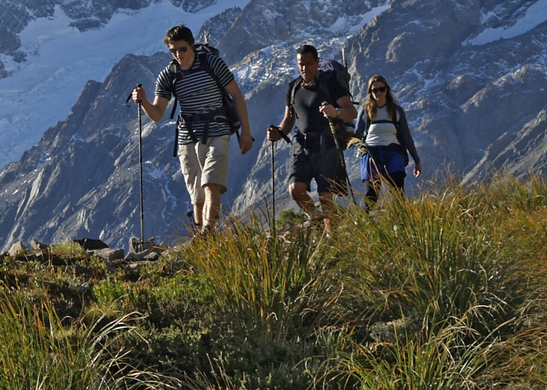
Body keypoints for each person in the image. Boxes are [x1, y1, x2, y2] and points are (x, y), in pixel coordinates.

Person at [131, 25, 253, 234]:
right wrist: (142, 101)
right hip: (188, 136)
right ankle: (203, 241)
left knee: (211, 184)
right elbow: (158, 113)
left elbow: (237, 95)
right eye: (173, 51)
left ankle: (208, 230)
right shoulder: (169, 75)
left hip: (217, 129)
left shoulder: (212, 64)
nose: (178, 55)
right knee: (197, 194)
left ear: (192, 46)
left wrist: (246, 132)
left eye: (182, 49)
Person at [266, 44, 357, 232]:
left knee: (325, 195)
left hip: (328, 145)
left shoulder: (330, 83)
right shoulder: (293, 87)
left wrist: (336, 112)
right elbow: (289, 119)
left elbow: (351, 112)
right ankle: (317, 220)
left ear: (317, 62)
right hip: (302, 144)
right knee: (295, 190)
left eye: (308, 64)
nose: (304, 68)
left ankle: (333, 239)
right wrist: (279, 132)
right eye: (301, 64)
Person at [355, 74, 421, 202]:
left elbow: (406, 136)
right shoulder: (365, 111)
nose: (378, 92)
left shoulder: (396, 111)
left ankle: (400, 220)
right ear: (370, 92)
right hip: (371, 154)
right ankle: (362, 220)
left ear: (387, 90)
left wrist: (416, 160)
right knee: (371, 195)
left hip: (393, 152)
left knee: (398, 192)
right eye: (374, 90)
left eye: (381, 89)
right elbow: (357, 134)